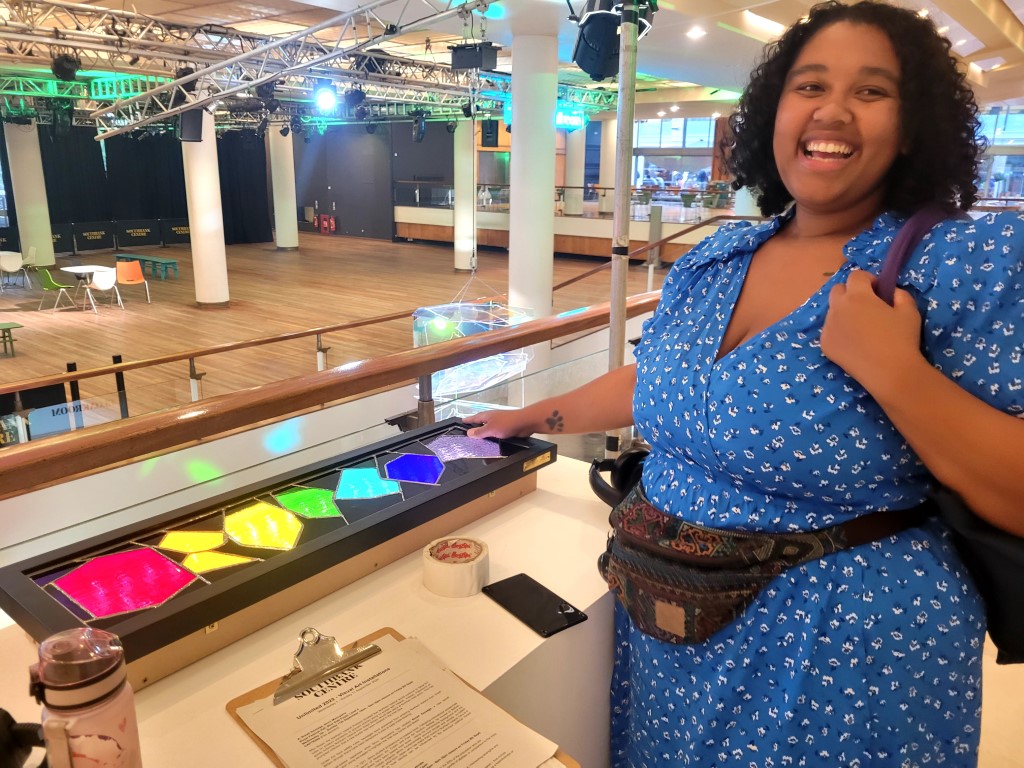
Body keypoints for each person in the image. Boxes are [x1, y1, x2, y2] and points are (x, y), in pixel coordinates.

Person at [467, 2, 1024, 765]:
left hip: (841, 661)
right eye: (809, 86)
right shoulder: (718, 257)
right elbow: (661, 382)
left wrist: (895, 373)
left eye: (871, 91)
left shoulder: (962, 261)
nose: (832, 110)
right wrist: (527, 413)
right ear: (772, 112)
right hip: (670, 628)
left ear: (913, 123)